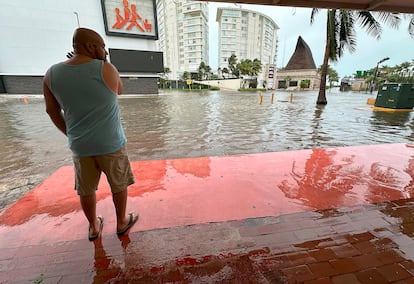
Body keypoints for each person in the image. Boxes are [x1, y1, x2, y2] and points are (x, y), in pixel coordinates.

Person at [43, 27, 138, 241]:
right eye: (102, 46)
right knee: (119, 184)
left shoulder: (51, 74)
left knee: (86, 190)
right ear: (91, 46)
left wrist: (71, 134)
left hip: (80, 146)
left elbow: (52, 110)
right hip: (111, 143)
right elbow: (120, 90)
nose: (104, 50)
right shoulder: (106, 69)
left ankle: (94, 227)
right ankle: (122, 222)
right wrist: (104, 61)